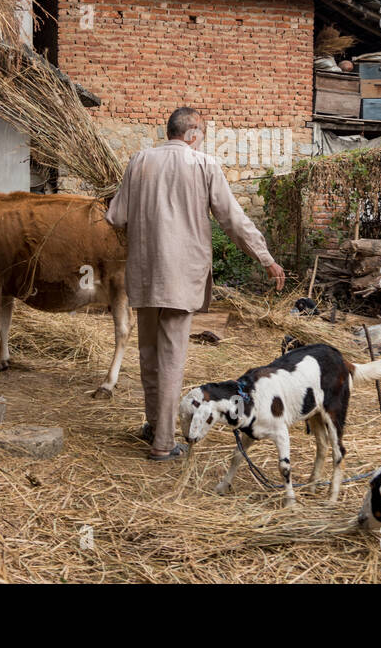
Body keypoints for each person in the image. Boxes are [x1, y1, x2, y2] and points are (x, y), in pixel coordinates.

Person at [105, 107, 285, 460]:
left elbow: (116, 215)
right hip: (180, 277)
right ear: (192, 133)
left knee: (148, 356)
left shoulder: (140, 160)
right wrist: (265, 258)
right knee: (172, 359)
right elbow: (233, 220)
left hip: (145, 273)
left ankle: (154, 424)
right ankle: (162, 443)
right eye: (200, 132)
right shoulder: (204, 165)